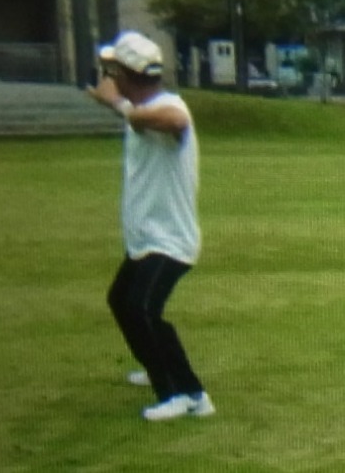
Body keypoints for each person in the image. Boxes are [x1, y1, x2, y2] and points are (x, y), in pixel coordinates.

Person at [83, 31, 215, 422]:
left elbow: (174, 121)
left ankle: (188, 394)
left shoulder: (169, 106)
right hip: (147, 237)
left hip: (170, 240)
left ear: (125, 73)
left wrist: (118, 103)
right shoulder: (142, 110)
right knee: (121, 302)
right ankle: (156, 363)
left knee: (143, 309)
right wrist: (122, 106)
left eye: (113, 70)